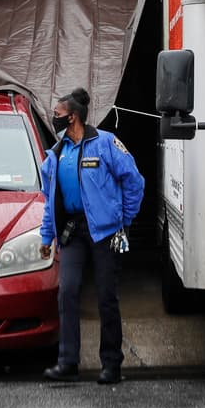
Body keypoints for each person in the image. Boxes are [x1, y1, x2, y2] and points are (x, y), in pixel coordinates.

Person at [39, 88, 144, 385]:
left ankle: (112, 364)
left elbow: (135, 182)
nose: (54, 119)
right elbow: (50, 201)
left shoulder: (106, 144)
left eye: (58, 115)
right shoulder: (56, 155)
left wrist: (124, 221)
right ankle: (67, 362)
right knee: (67, 292)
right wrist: (47, 238)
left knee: (106, 297)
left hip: (105, 232)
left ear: (73, 117)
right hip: (72, 231)